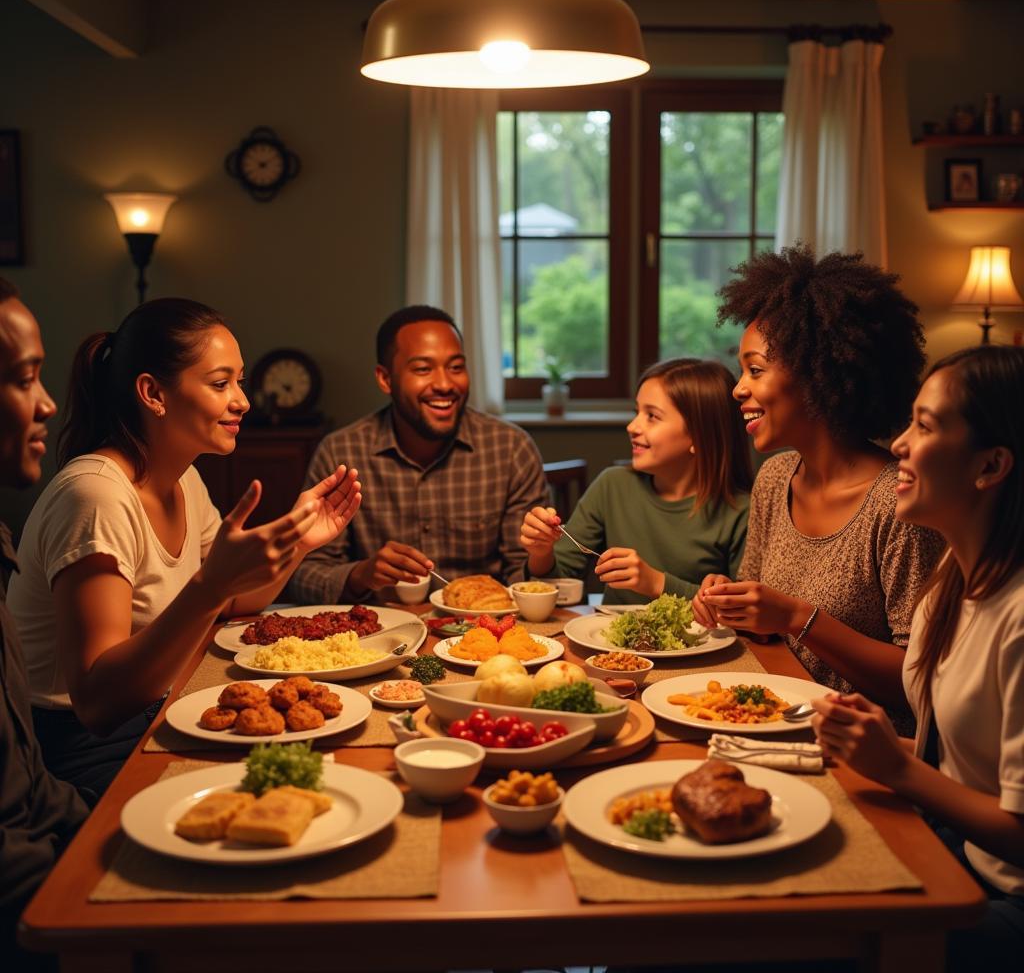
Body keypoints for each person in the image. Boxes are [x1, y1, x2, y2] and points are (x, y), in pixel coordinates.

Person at [9, 298, 361, 799]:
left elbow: (236, 600)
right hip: (80, 750)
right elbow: (98, 703)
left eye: (240, 381)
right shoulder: (95, 495)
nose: (242, 400)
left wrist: (301, 540)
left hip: (160, 710)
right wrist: (211, 583)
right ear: (153, 393)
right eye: (221, 384)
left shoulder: (184, 479)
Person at [811, 345, 1024, 966]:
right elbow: (955, 762)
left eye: (924, 427)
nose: (898, 445)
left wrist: (900, 770)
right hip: (947, 847)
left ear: (991, 465)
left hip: (1000, 897)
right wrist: (867, 742)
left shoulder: (1016, 616)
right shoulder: (947, 588)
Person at [696, 246, 945, 731]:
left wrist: (797, 617)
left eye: (756, 370)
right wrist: (730, 601)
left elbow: (920, 681)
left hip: (864, 750)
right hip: (770, 714)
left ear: (817, 374)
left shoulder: (899, 502)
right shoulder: (775, 477)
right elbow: (760, 620)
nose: (737, 389)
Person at [289, 305, 548, 603]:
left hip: (485, 636)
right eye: (423, 369)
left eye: (456, 367)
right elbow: (302, 574)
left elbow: (529, 578)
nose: (444, 384)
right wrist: (362, 574)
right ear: (386, 379)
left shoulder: (511, 449)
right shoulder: (342, 453)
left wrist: (541, 555)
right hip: (381, 638)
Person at [0, 278, 88, 973]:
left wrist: (99, 829)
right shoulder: (90, 494)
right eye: (24, 378)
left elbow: (30, 786)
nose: (48, 403)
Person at [519, 358, 751, 604]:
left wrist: (656, 583)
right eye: (636, 412)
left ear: (699, 435)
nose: (632, 426)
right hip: (607, 639)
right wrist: (541, 552)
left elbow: (742, 612)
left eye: (652, 416)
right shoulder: (613, 486)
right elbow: (559, 584)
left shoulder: (741, 511)